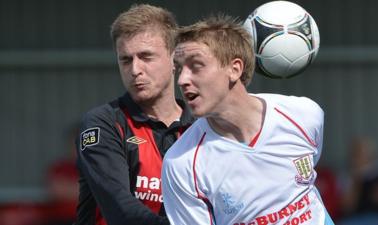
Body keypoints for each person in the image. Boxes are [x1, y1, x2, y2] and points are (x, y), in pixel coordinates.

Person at [162, 15, 334, 225]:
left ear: (234, 69)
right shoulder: (181, 163)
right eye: (179, 68)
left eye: (196, 66)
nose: (181, 80)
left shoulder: (303, 115)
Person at [74, 4, 193, 225]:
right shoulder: (103, 123)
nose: (135, 69)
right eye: (126, 60)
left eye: (146, 57)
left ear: (174, 58)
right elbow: (121, 210)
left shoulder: (202, 126)